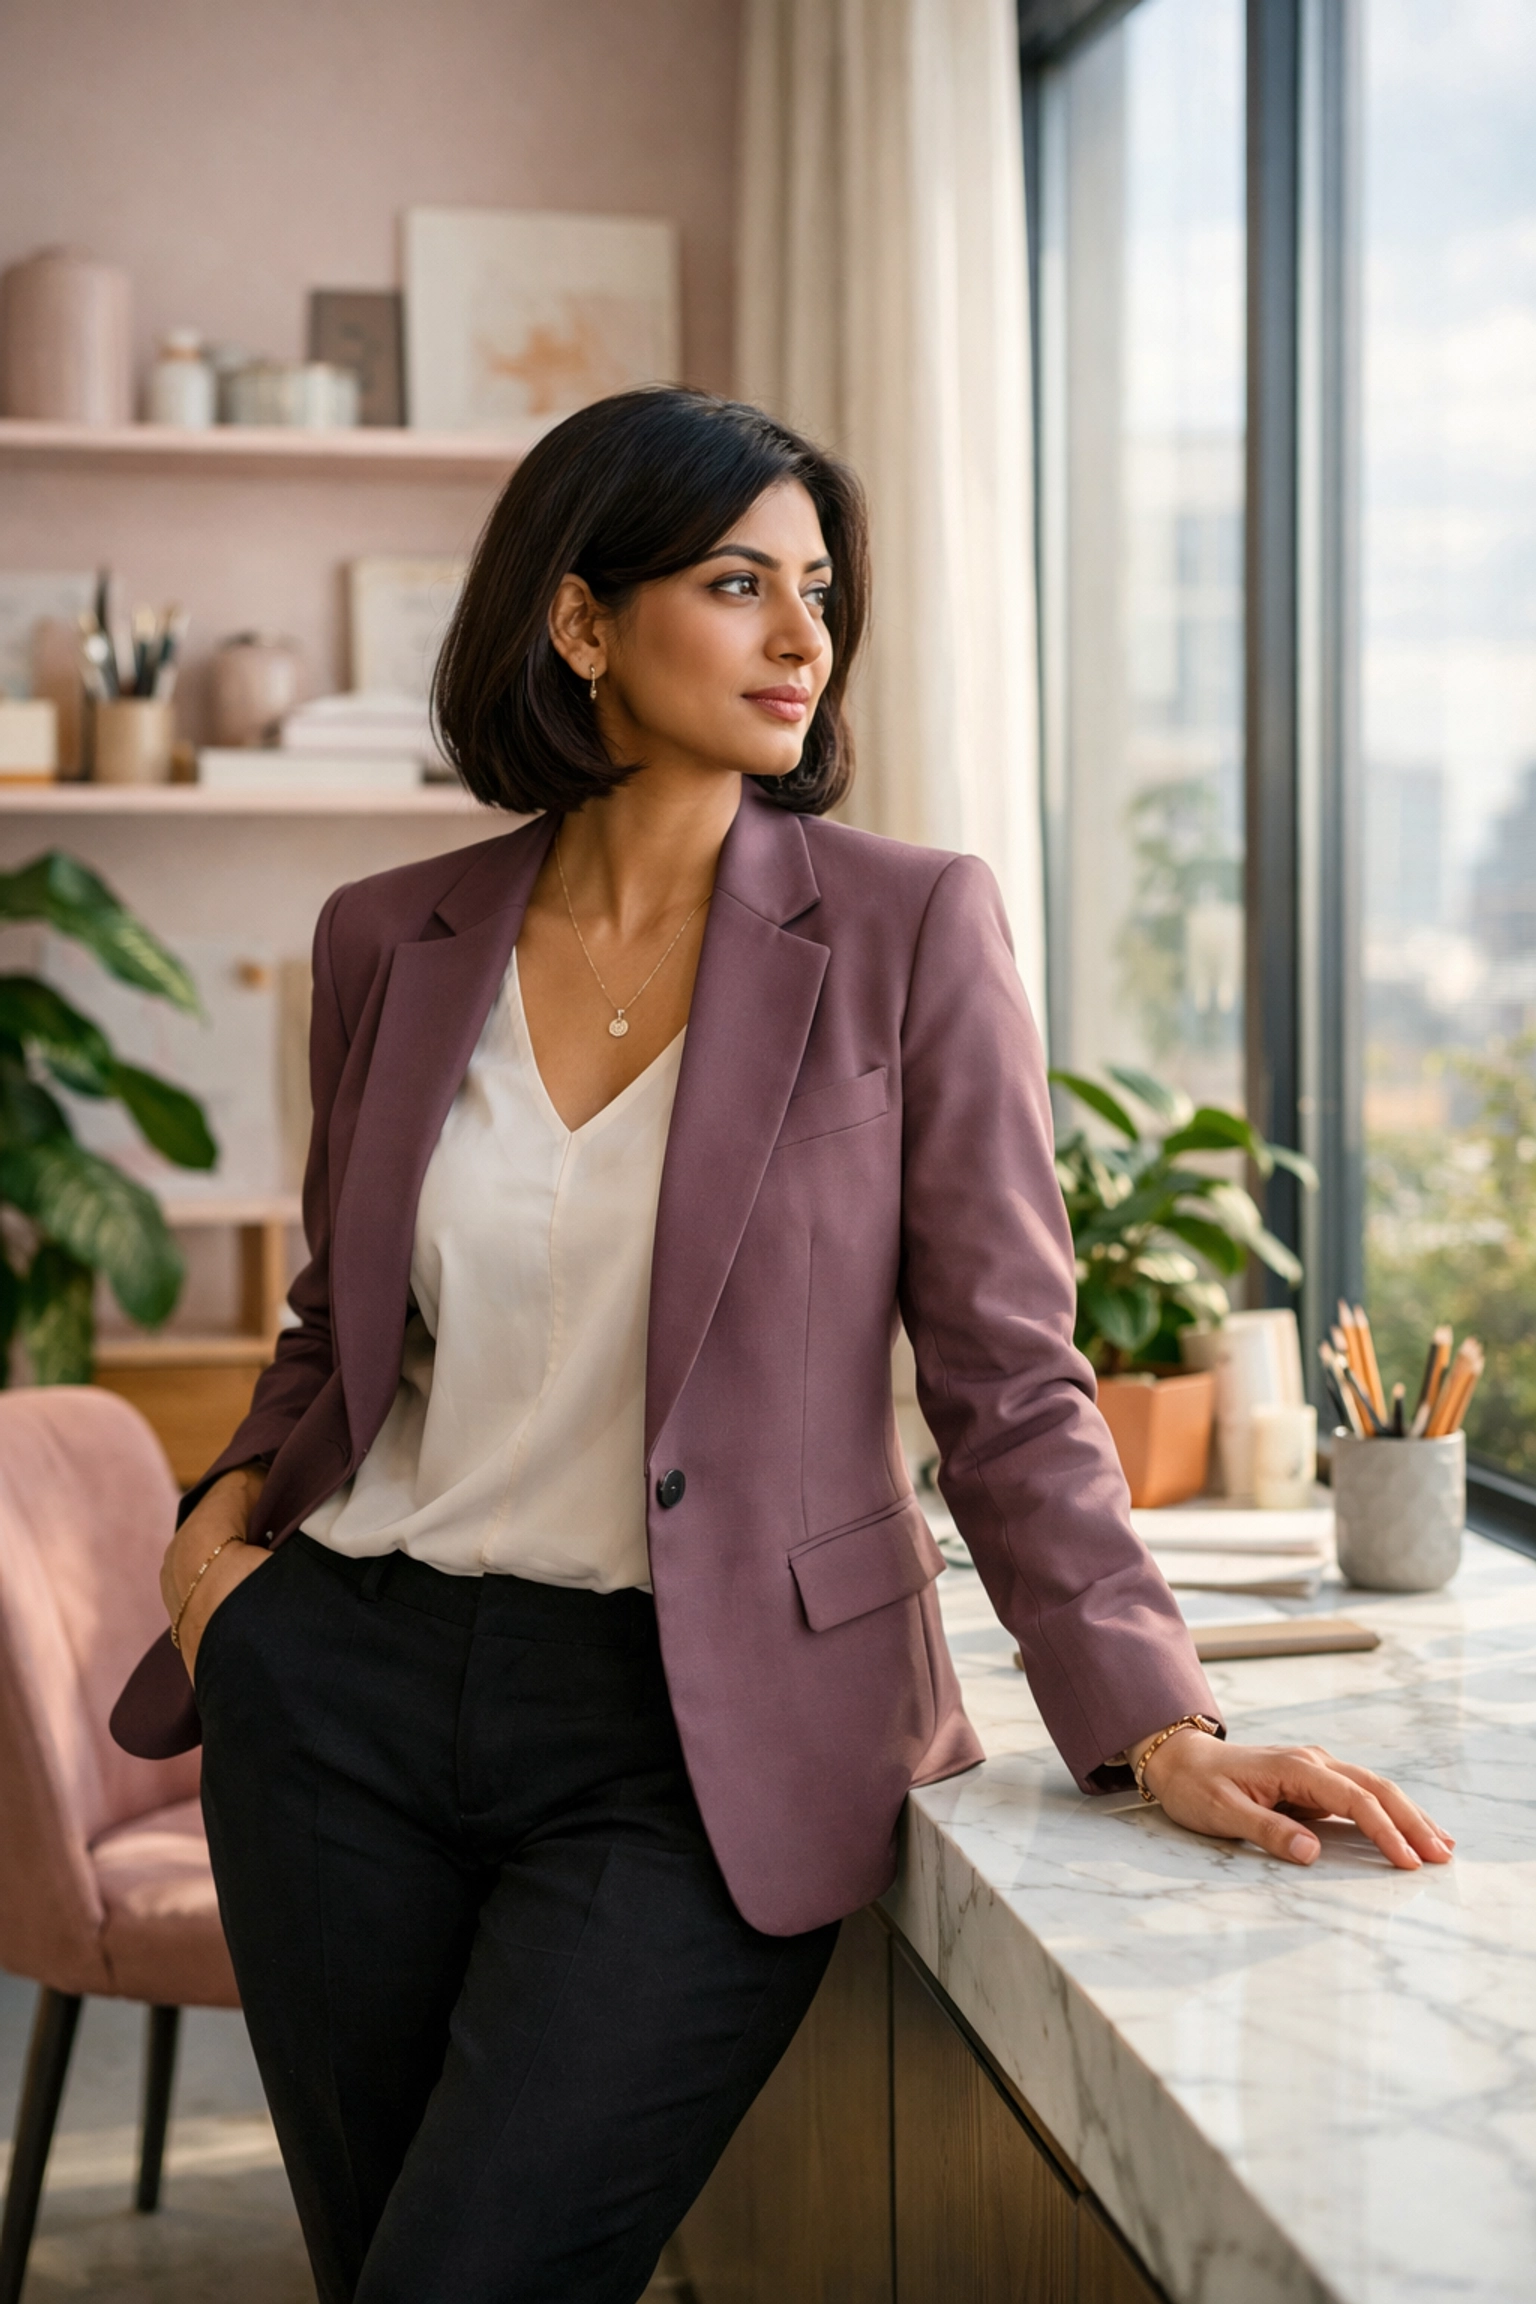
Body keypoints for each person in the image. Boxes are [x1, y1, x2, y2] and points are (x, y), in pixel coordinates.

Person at [112, 387, 1452, 2304]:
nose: (804, 637)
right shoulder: (382, 939)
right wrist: (216, 1541)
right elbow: (342, 1324)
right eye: (739, 583)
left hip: (692, 1734)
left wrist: (1154, 1718)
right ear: (580, 623)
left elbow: (1009, 1373)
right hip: (343, 1697)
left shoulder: (912, 930)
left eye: (818, 590)